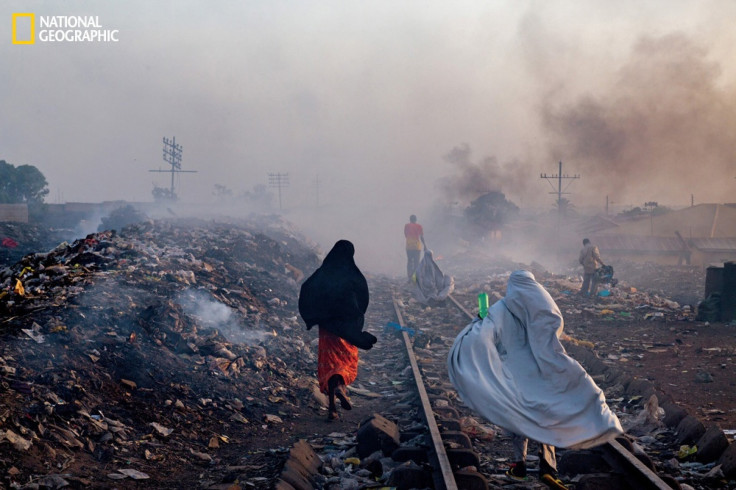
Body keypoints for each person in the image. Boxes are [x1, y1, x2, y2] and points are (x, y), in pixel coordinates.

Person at [447, 270, 622, 489]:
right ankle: (548, 468)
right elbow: (553, 325)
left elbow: (485, 334)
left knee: (519, 416)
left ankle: (519, 466)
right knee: (546, 413)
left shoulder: (499, 310)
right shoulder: (538, 305)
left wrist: (477, 323)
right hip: (541, 370)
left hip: (514, 373)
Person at [298, 240, 377, 420]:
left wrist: (313, 316)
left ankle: (332, 409)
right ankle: (341, 388)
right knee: (345, 360)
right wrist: (356, 319)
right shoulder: (354, 275)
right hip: (347, 328)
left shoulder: (323, 273)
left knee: (329, 363)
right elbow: (363, 298)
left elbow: (307, 289)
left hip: (327, 327)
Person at [404, 215, 426, 281]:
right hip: (417, 247)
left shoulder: (406, 226)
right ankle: (414, 278)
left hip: (409, 246)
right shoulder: (419, 226)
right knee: (416, 262)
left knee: (410, 261)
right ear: (416, 220)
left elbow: (406, 235)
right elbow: (421, 237)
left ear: (410, 219)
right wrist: (425, 245)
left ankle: (409, 276)